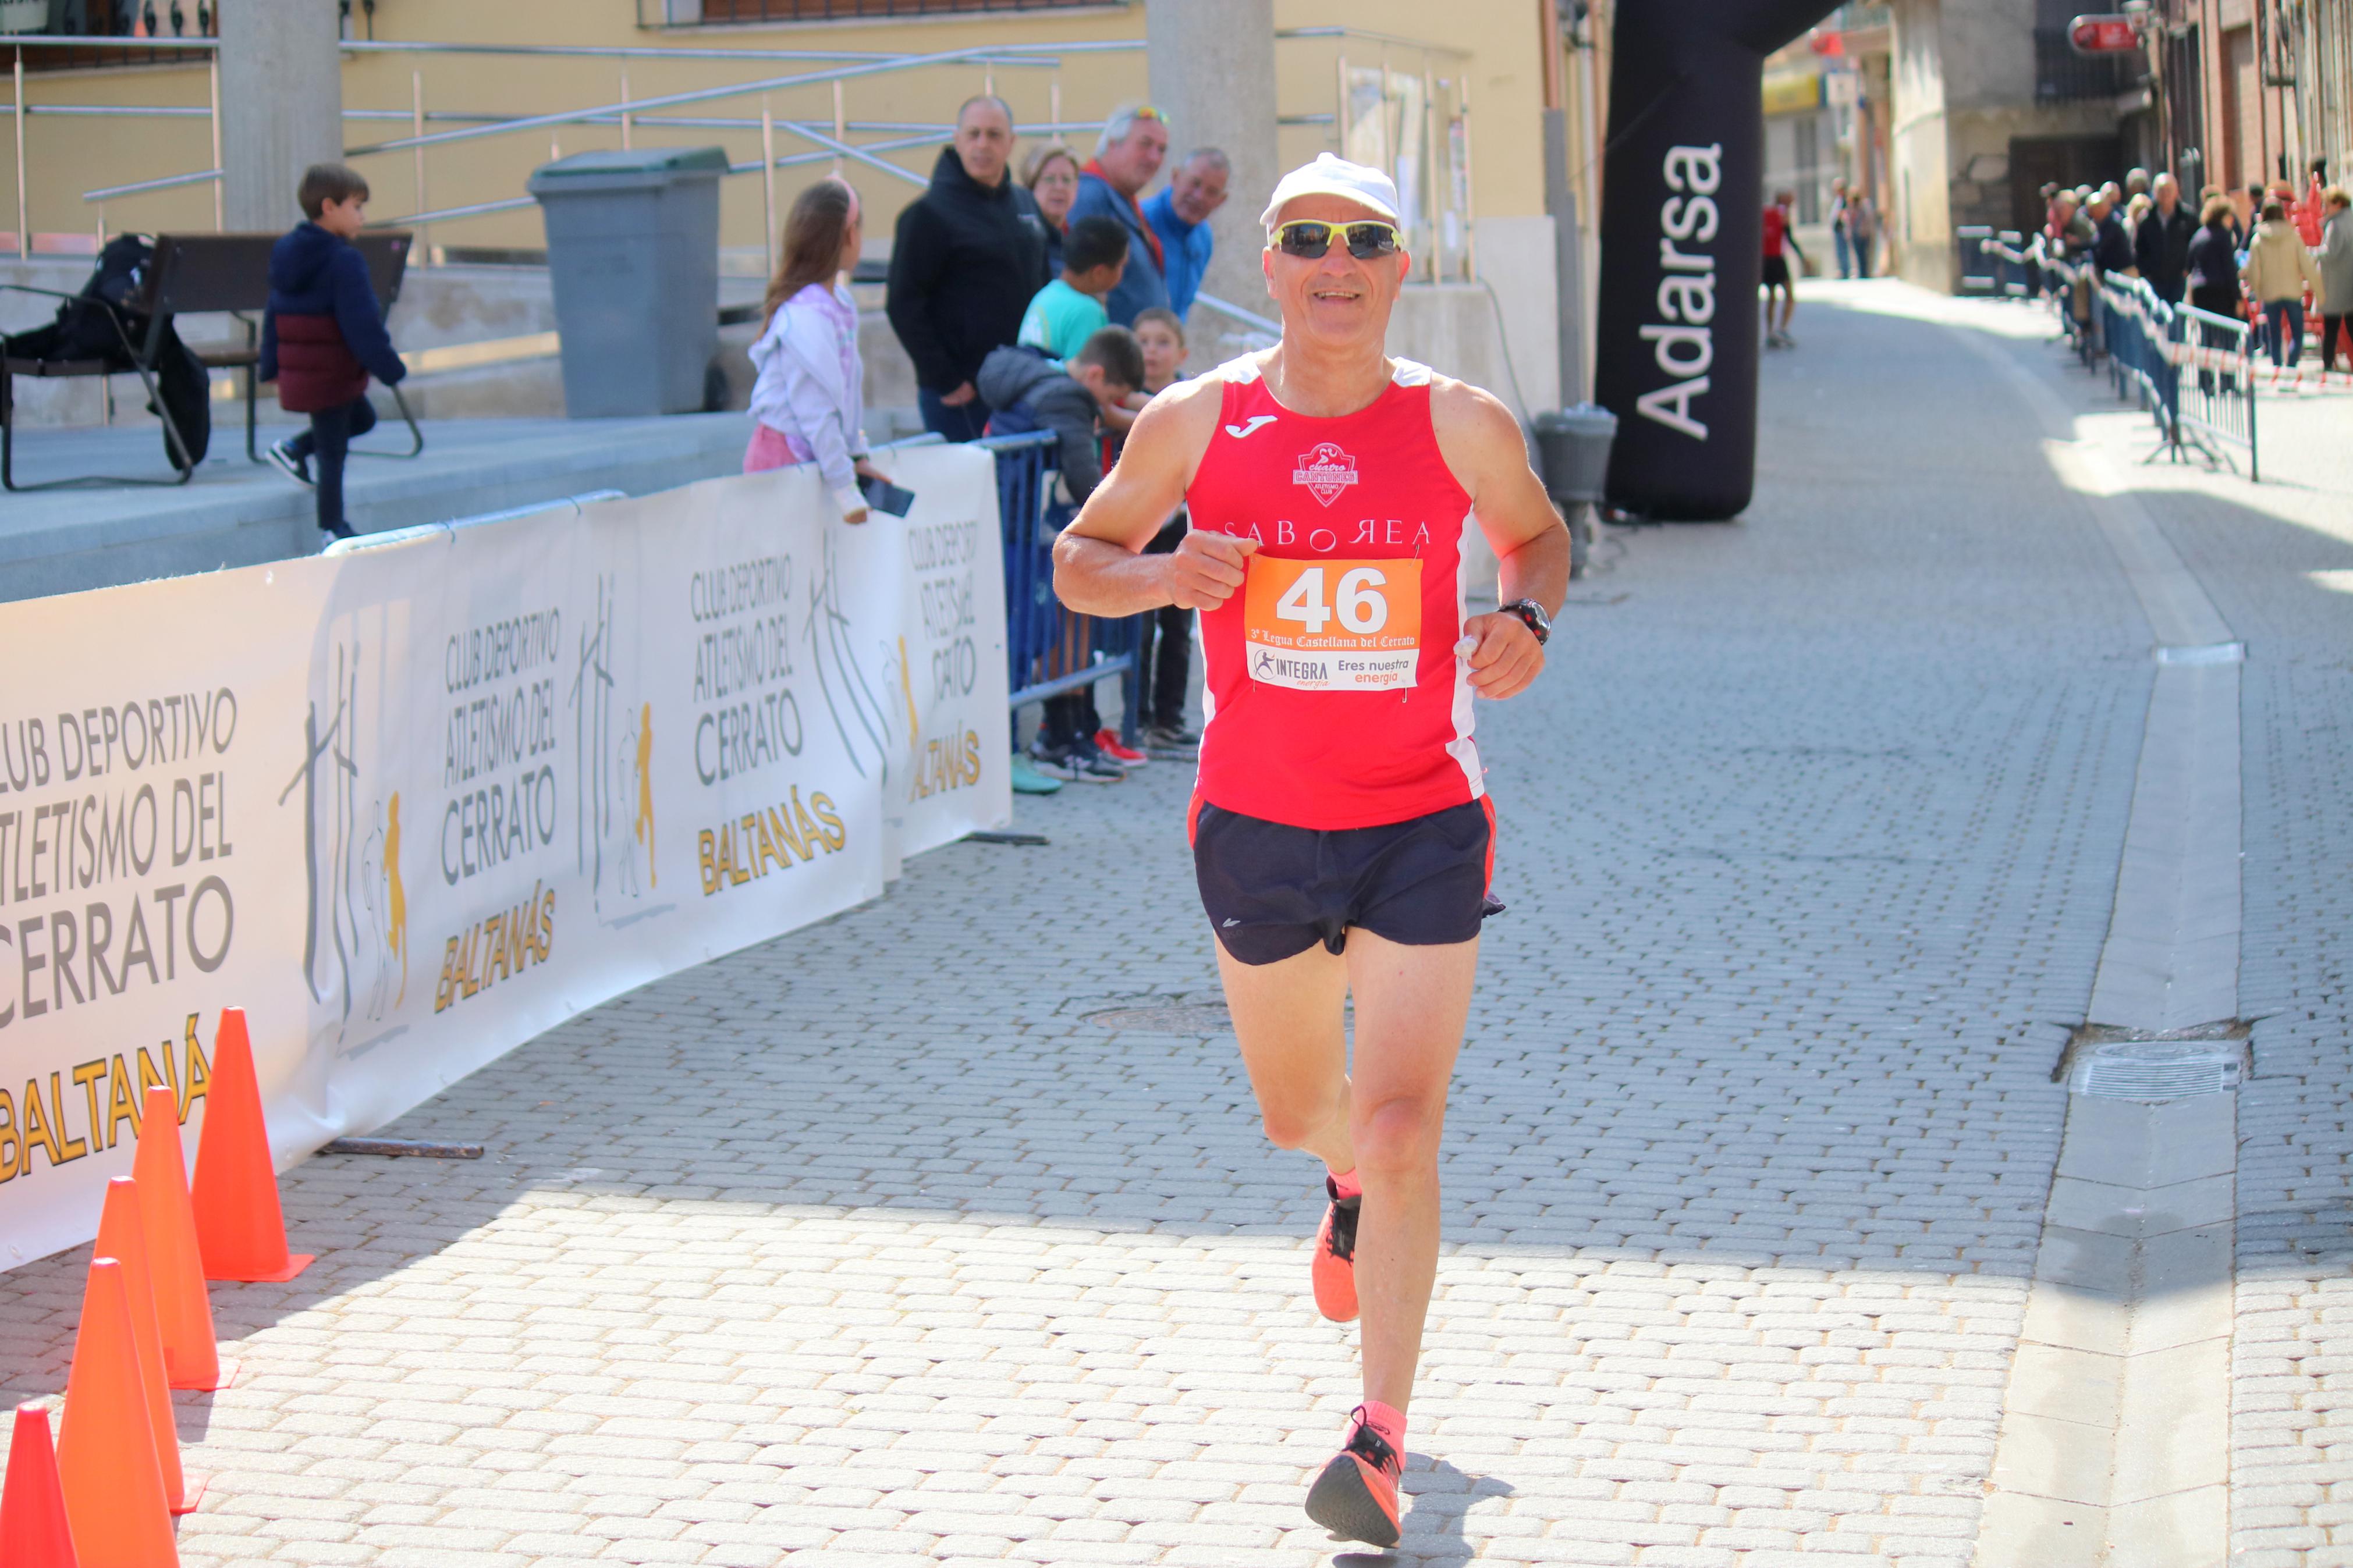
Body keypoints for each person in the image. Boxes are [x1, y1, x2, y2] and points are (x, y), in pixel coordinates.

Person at [1050, 152, 1568, 1549]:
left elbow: (1536, 538)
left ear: (1398, 267)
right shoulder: (1193, 419)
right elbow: (1075, 561)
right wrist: (1163, 573)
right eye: (1306, 240)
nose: (1336, 262)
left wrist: (1525, 620)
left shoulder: (1456, 422)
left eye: (1364, 239)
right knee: (1304, 1117)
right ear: (1266, 267)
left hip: (1419, 822)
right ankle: (1337, 1188)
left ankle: (1378, 1438)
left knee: (1404, 1125)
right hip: (1259, 827)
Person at [980, 326, 1147, 783]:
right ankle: (1008, 751)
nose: (1102, 409)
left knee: (1046, 629)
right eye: (1107, 396)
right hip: (1023, 528)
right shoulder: (1067, 398)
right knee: (1026, 637)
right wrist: (1121, 522)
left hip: (1021, 523)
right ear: (1095, 373)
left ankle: (1049, 739)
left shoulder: (1038, 374)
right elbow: (1082, 474)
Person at [885, 95, 1049, 443]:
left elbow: (1045, 285)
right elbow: (903, 303)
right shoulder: (927, 215)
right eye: (973, 134)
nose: (982, 145)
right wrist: (944, 380)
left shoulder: (1026, 204)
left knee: (1018, 492)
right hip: (963, 396)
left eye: (993, 135)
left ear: (1011, 143)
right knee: (970, 495)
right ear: (957, 139)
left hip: (1022, 385)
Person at [261, 163, 408, 547]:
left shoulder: (287, 252)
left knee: (362, 418)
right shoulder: (344, 261)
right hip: (332, 369)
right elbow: (361, 324)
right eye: (356, 207)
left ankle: (293, 448)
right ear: (329, 207)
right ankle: (333, 527)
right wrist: (389, 367)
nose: (362, 217)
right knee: (333, 450)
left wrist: (271, 363)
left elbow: (272, 310)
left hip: (308, 367)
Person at [744, 178, 893, 522]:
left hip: (817, 460)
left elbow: (846, 395)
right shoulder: (805, 317)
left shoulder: (838, 304)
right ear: (848, 234)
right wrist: (845, 486)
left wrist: (857, 458)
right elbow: (816, 408)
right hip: (784, 463)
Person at [1128, 306, 1196, 751]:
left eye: (1162, 342)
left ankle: (1168, 718)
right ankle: (1134, 718)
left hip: (1179, 525)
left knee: (1177, 626)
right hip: (1136, 524)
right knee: (1138, 625)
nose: (1151, 351)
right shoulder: (1122, 395)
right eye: (1144, 341)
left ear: (1180, 352)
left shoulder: (1194, 398)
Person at [1069, 104, 1173, 326]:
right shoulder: (1089, 195)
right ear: (1112, 144)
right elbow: (1077, 278)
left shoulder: (1121, 199)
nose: (1155, 158)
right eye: (1145, 144)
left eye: (1162, 149)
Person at [1017, 215, 1129, 360]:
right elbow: (1089, 377)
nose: (1123, 272)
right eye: (1122, 265)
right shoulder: (1087, 312)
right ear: (1099, 272)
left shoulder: (1046, 294)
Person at [1144, 148, 1230, 319]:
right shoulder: (1140, 221)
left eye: (1212, 192)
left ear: (1221, 201)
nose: (1199, 197)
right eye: (1195, 183)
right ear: (1175, 177)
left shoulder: (1204, 237)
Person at [2242, 197, 2319, 371]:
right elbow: (2306, 264)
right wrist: (2318, 290)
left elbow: (2252, 270)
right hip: (2293, 290)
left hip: (2270, 292)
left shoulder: (2258, 239)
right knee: (2298, 333)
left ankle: (2277, 367)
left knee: (2274, 333)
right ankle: (2291, 365)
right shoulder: (2293, 236)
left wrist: (2258, 291)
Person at [2185, 195, 2246, 392]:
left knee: (2207, 338)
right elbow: (2230, 270)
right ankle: (2228, 382)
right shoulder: (2223, 236)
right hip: (2220, 290)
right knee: (2227, 337)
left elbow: (2189, 266)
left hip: (2201, 291)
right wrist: (2237, 298)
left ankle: (2205, 382)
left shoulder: (2199, 235)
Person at [2135, 173, 2198, 303]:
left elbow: (2195, 245)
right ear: (2155, 193)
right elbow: (2138, 249)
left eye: (2169, 190)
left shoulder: (2188, 217)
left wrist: (2188, 269)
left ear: (2176, 192)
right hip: (2155, 281)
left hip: (2180, 280)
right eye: (2161, 190)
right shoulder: (2146, 219)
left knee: (2178, 318)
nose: (2165, 194)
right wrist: (2146, 272)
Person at [1023, 142, 1081, 279]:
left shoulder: (1079, 242)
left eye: (1067, 180)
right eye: (1050, 179)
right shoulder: (1023, 240)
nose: (1059, 187)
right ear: (1031, 185)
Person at [1761, 189, 1807, 347]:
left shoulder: (1766, 213)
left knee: (1772, 297)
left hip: (1765, 259)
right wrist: (1803, 257)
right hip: (1776, 259)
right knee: (1789, 295)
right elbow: (1790, 238)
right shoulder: (1782, 215)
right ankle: (1782, 329)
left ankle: (1770, 332)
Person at [2315, 186, 2353, 375]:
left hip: (2336, 285)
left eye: (2327, 204)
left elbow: (2329, 253)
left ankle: (2328, 365)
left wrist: (2311, 253)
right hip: (2349, 283)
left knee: (2331, 328)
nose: (2324, 208)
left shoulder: (2335, 225)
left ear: (2337, 204)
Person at [1845, 186, 1875, 278]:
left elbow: (1868, 218)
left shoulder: (1865, 205)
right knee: (1858, 254)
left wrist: (1867, 230)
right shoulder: (1850, 207)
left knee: (1865, 253)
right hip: (1856, 234)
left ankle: (1866, 272)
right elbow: (1849, 221)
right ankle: (1861, 272)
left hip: (1864, 233)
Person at [1829, 177, 1855, 279]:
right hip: (1837, 229)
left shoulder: (1845, 200)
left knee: (1843, 250)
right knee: (1840, 251)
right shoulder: (1838, 200)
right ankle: (1843, 270)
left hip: (1842, 229)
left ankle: (1845, 271)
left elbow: (1845, 213)